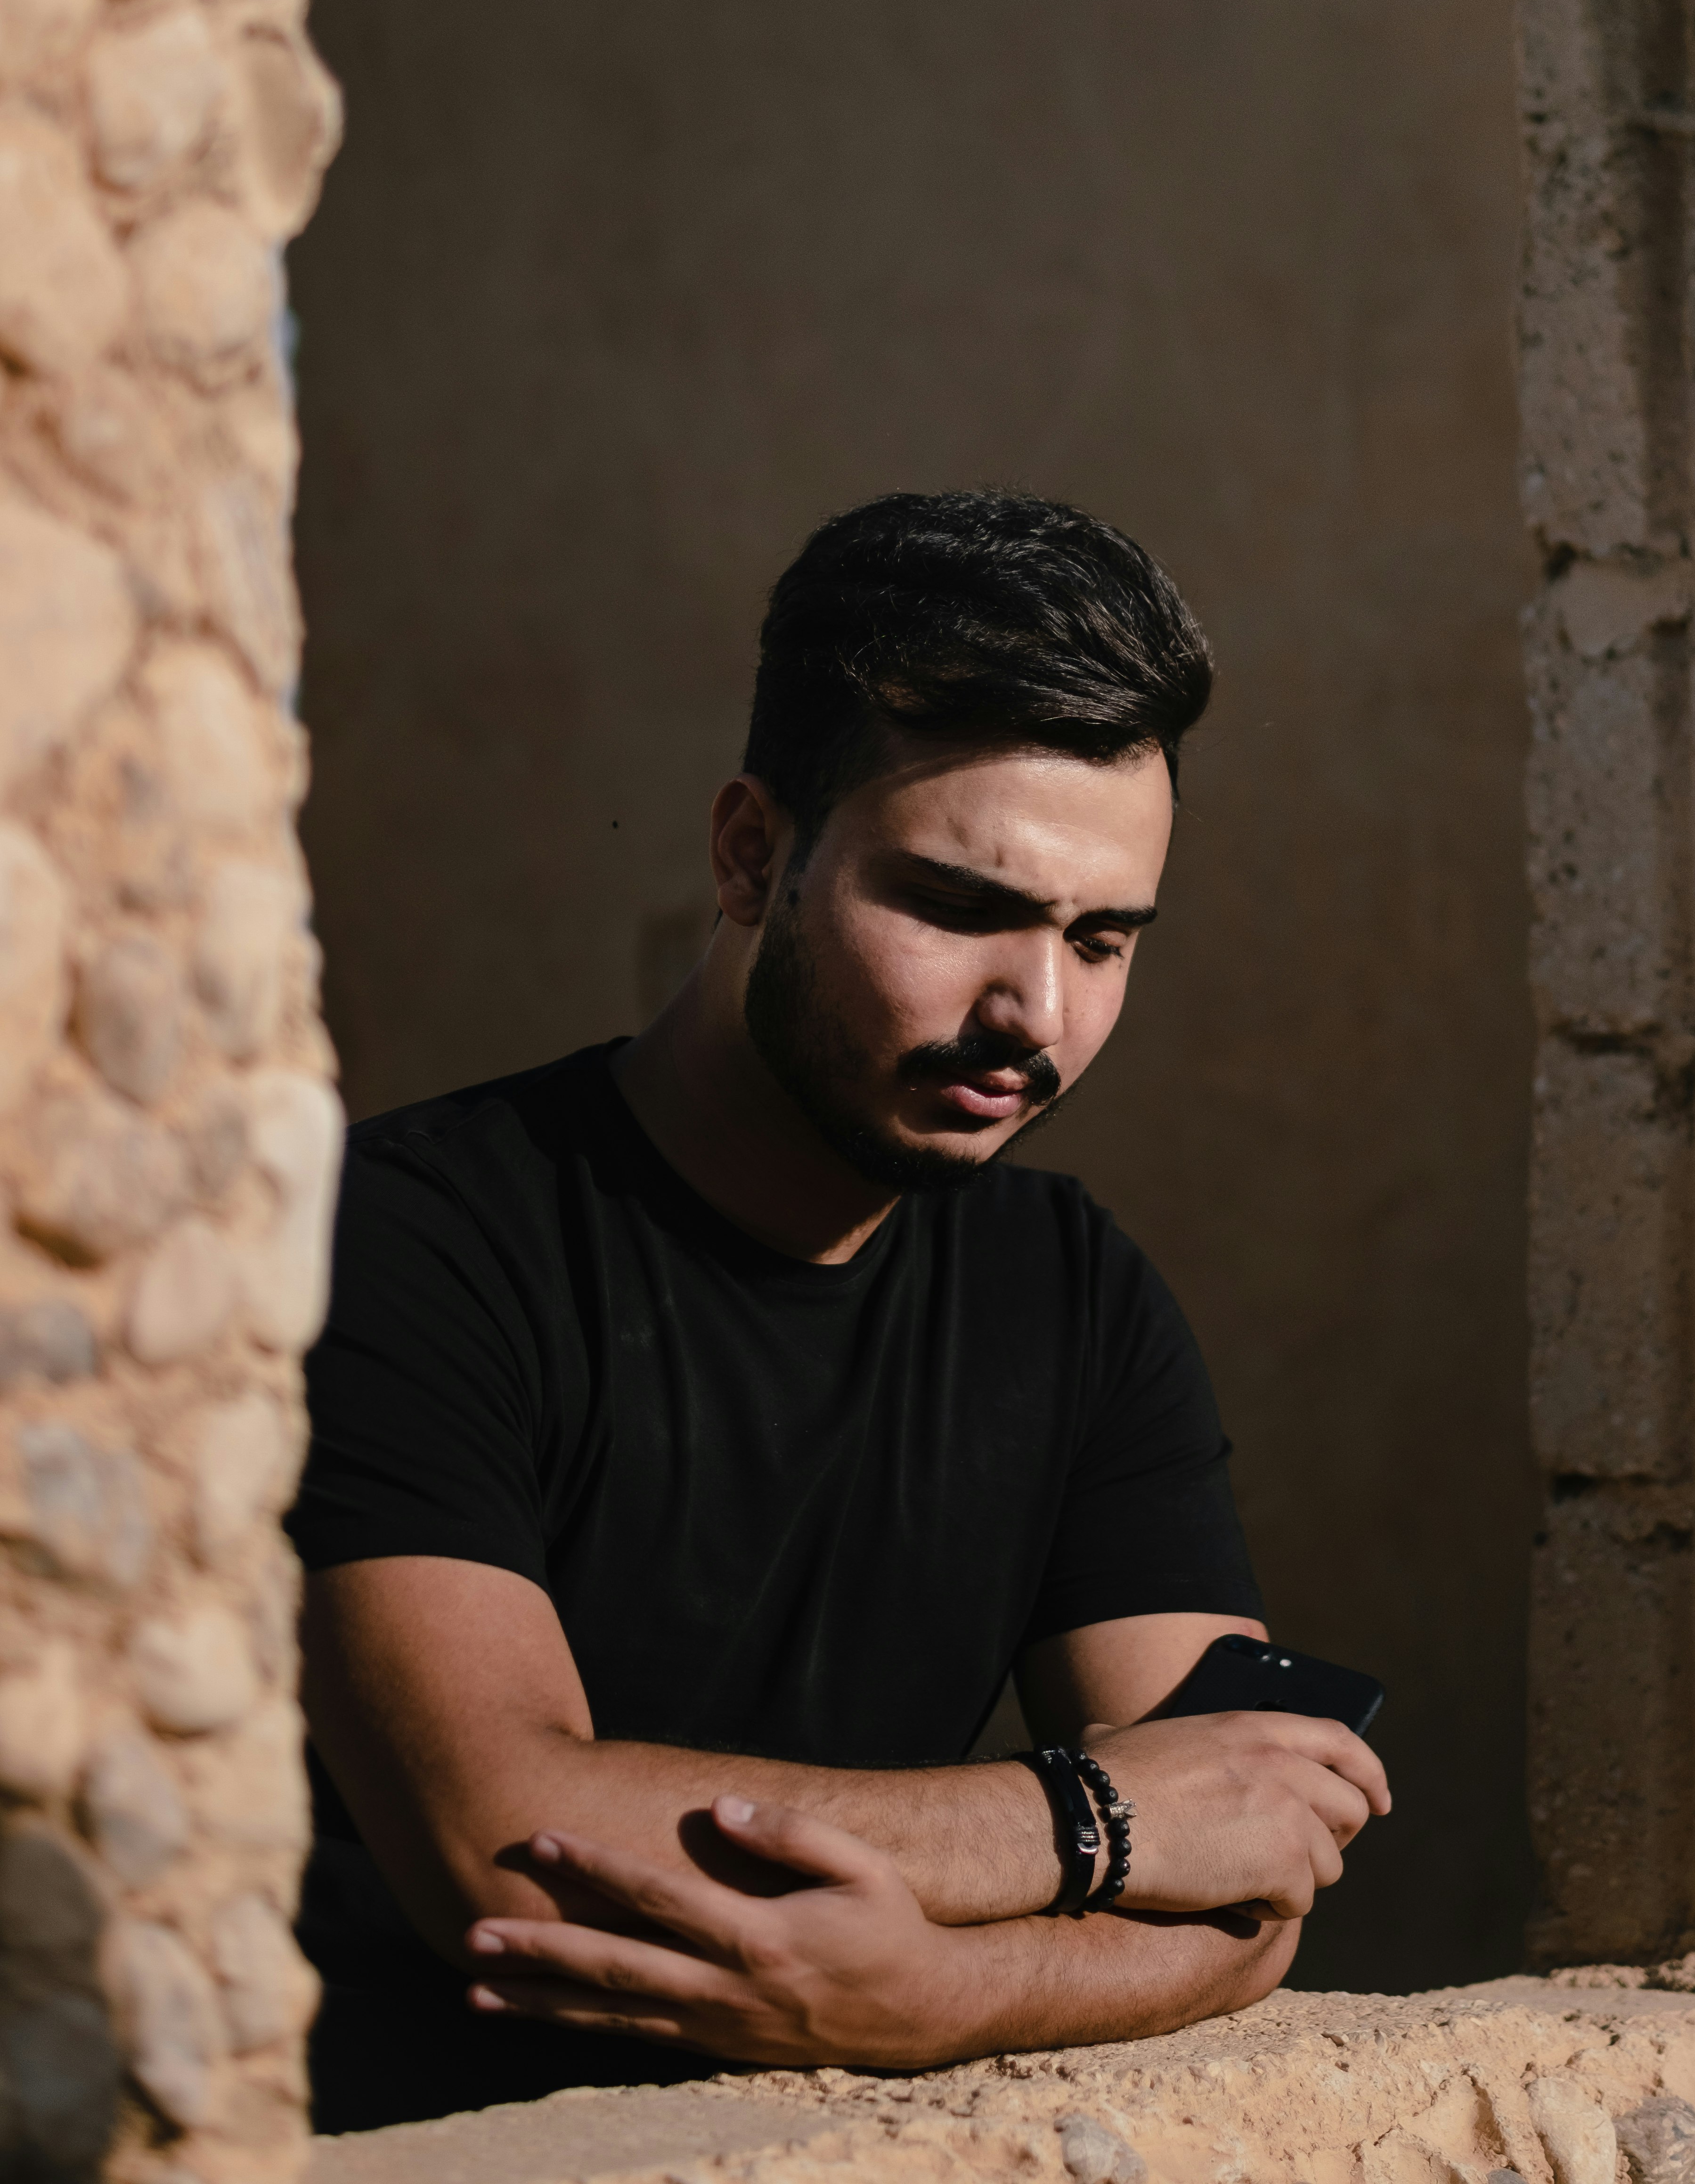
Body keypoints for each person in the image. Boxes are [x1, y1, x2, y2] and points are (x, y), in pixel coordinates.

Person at [290, 490, 1390, 2133]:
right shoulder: (400, 1240)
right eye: (958, 911)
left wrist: (948, 1994)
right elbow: (507, 1840)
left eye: (1103, 940)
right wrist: (1081, 1825)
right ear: (752, 854)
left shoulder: (1076, 1299)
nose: (1037, 1015)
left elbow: (1246, 1888)